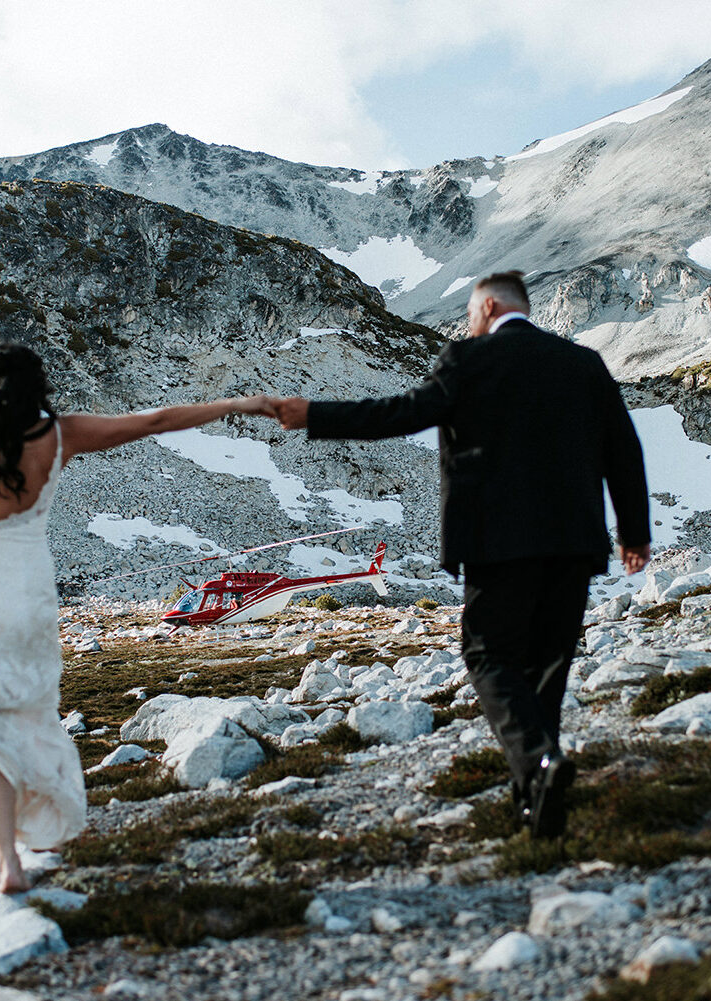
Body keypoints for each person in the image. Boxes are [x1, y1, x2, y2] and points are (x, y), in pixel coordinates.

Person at [0, 343, 275, 892]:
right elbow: (155, 420)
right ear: (35, 387)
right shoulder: (57, 436)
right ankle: (47, 832)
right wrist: (239, 403)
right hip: (26, 594)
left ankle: (8, 861)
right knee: (30, 716)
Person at [272, 272, 650, 839]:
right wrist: (634, 534)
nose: (468, 323)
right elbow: (623, 448)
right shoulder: (583, 363)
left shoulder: (468, 361)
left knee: (488, 655)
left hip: (498, 542)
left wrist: (314, 415)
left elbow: (399, 414)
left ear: (490, 306)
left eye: (472, 313)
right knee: (548, 667)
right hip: (574, 542)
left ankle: (541, 766)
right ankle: (538, 799)